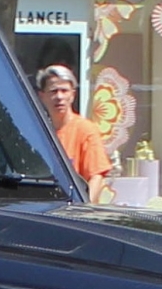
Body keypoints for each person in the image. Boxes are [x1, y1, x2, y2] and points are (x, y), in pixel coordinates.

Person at [36, 63, 111, 200]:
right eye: (53, 91)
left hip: (73, 209)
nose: (59, 97)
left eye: (64, 91)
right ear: (42, 96)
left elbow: (96, 177)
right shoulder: (38, 132)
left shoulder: (86, 130)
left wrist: (85, 207)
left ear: (73, 94)